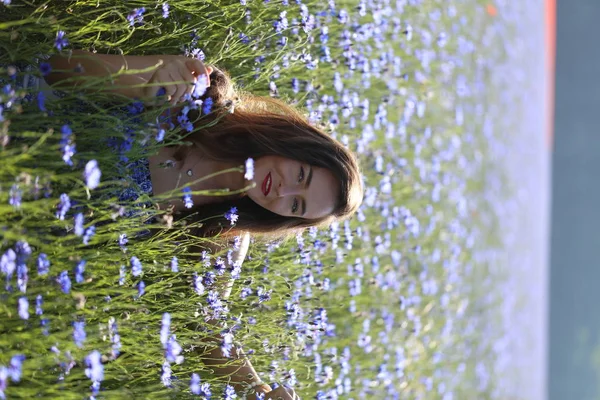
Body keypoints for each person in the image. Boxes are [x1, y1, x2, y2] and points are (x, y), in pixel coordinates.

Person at [42, 49, 364, 400]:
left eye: (296, 205)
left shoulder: (223, 236)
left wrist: (257, 391)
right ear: (294, 145)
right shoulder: (201, 99)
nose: (284, 190)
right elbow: (55, 68)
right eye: (300, 174)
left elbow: (205, 327)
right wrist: (152, 79)